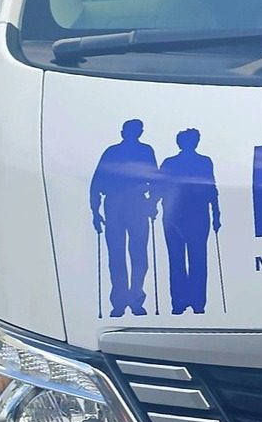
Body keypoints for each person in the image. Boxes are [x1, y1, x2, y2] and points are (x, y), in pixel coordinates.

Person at [89, 119, 157, 317]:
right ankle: (119, 302)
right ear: (122, 132)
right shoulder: (112, 152)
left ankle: (136, 299)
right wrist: (95, 212)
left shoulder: (145, 151)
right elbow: (97, 182)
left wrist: (152, 203)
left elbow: (155, 180)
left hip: (137, 205)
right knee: (116, 255)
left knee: (139, 255)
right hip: (115, 205)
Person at [157, 129, 221, 315]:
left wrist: (216, 214)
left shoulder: (203, 161)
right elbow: (161, 187)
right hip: (177, 216)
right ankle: (182, 302)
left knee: (193, 259)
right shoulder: (172, 162)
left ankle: (194, 302)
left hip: (193, 215)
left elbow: (211, 188)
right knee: (184, 260)